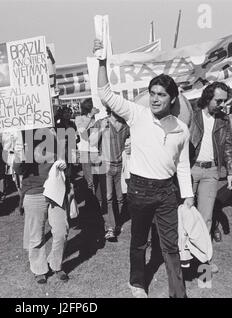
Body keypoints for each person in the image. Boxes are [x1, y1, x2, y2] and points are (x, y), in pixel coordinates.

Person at [95, 39, 193, 298]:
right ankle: (137, 284)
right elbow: (105, 93)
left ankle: (178, 293)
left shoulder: (181, 129)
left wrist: (189, 196)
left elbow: (182, 164)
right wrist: (102, 61)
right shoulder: (137, 114)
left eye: (161, 94)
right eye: (152, 93)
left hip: (166, 193)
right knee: (138, 242)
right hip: (139, 189)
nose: (155, 99)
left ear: (172, 99)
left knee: (172, 246)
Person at [189, 82, 232, 249]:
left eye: (225, 101)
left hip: (211, 172)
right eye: (219, 101)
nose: (223, 105)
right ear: (208, 98)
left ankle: (202, 258)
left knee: (206, 217)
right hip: (191, 169)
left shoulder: (224, 119)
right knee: (184, 212)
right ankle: (184, 253)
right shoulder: (192, 116)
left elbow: (229, 146)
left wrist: (231, 172)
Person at [20, 127, 69, 284]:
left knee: (62, 230)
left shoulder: (59, 134)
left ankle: (56, 264)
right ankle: (39, 268)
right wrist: (21, 152)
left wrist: (65, 166)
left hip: (56, 189)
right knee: (36, 234)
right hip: (34, 190)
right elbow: (18, 169)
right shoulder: (26, 135)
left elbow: (69, 164)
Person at [91, 107, 130, 242]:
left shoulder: (125, 125)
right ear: (110, 109)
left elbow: (130, 142)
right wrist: (101, 129)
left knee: (119, 198)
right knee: (108, 198)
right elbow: (91, 141)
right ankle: (110, 228)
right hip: (105, 165)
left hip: (119, 165)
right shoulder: (101, 123)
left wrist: (129, 145)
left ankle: (116, 224)